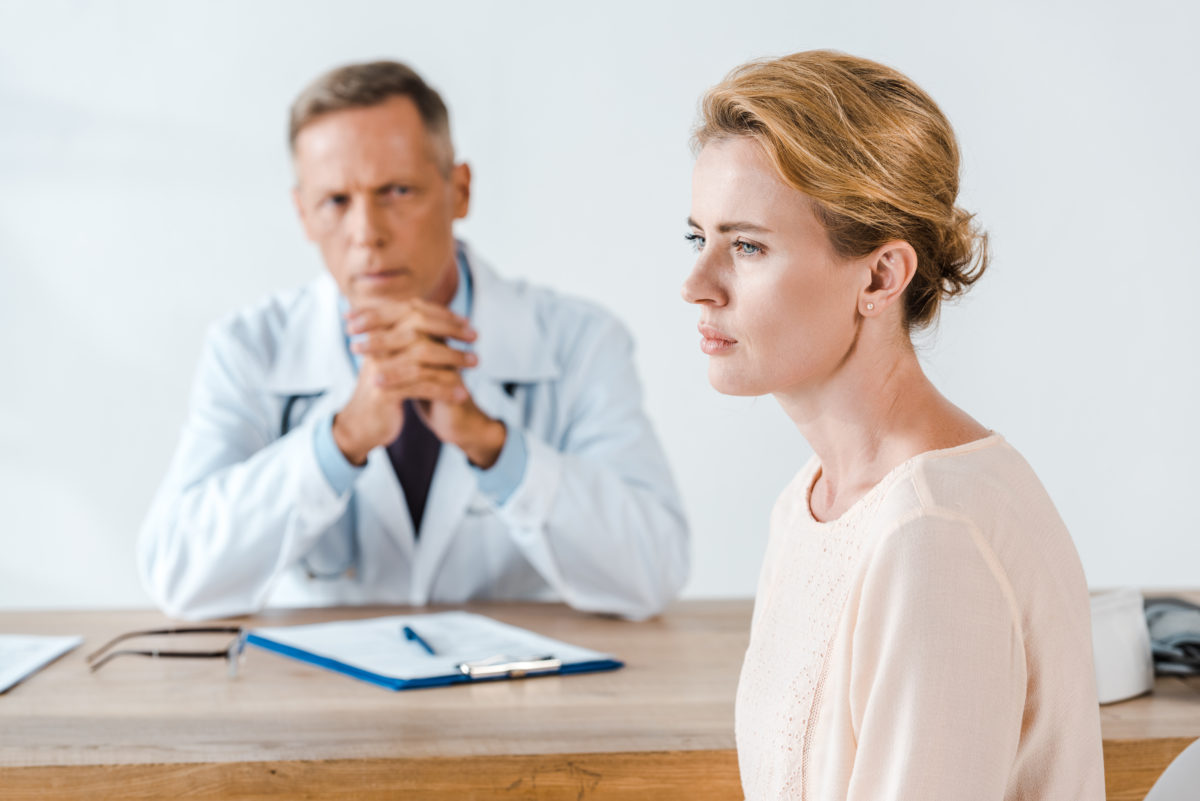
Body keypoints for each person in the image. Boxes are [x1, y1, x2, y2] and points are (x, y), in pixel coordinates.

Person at [682, 51, 1104, 799]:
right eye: (698, 237)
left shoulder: (931, 535)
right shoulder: (811, 501)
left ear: (880, 276)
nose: (696, 284)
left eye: (746, 245)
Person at [138, 61, 688, 622]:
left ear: (460, 191)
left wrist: (492, 445)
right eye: (335, 202)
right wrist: (342, 439)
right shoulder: (248, 347)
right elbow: (179, 576)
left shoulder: (581, 342)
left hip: (517, 698)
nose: (367, 233)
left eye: (397, 191)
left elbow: (654, 573)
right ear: (302, 213)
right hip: (325, 698)